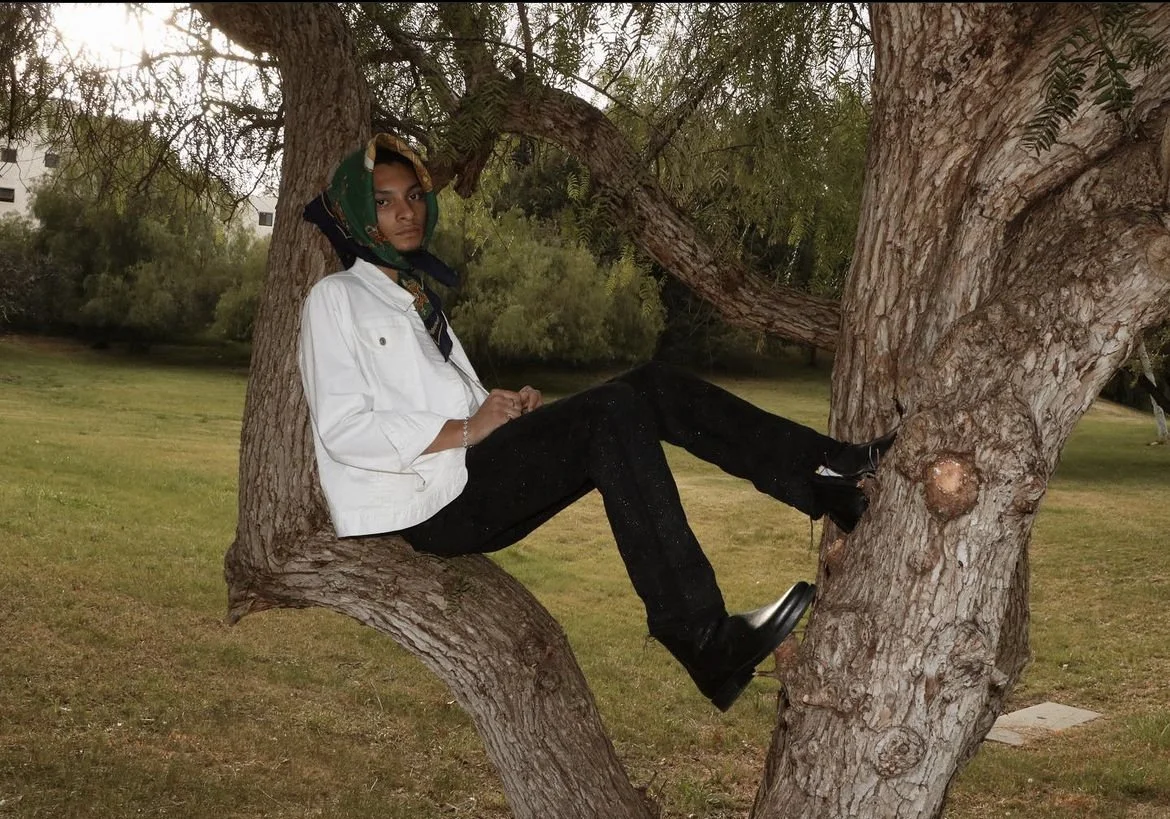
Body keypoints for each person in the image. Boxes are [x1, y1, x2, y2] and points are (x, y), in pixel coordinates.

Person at [298, 133, 894, 712]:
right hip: (432, 505)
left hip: (468, 474)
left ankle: (822, 472)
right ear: (356, 213)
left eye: (414, 196)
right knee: (613, 409)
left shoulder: (414, 294)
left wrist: (503, 414)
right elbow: (344, 428)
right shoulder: (336, 299)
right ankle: (702, 638)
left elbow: (445, 405)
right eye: (385, 200)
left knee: (649, 385)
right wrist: (469, 430)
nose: (407, 210)